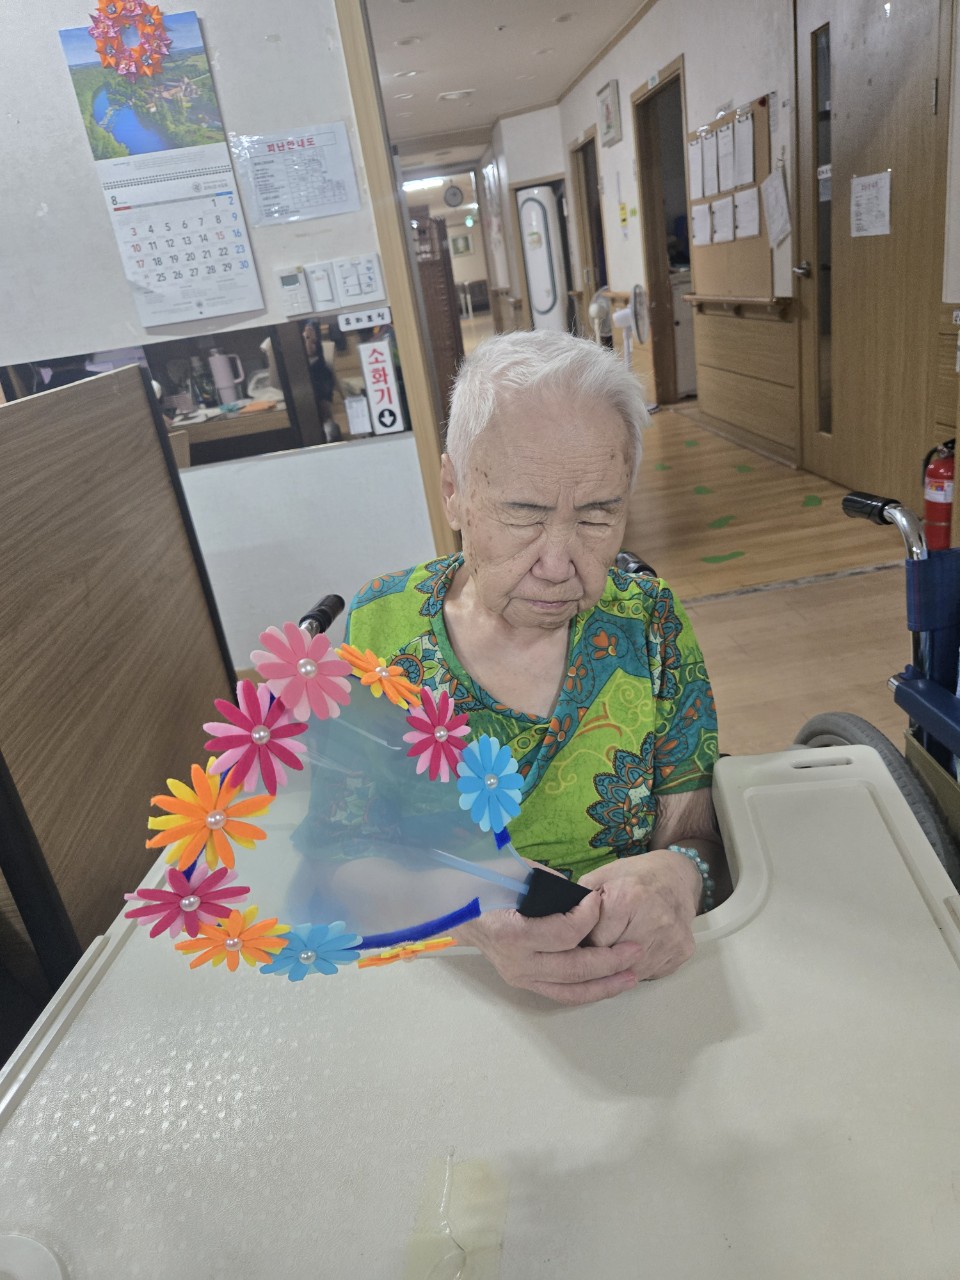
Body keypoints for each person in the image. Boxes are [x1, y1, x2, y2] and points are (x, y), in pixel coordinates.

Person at [345, 330, 723, 1005]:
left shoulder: (650, 624)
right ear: (453, 491)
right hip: (451, 993)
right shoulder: (381, 629)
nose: (557, 563)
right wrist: (462, 908)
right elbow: (345, 851)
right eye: (524, 515)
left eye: (598, 516)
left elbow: (699, 837)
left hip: (634, 992)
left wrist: (681, 875)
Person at [302, 320, 342, 442]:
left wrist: (307, 337)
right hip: (311, 375)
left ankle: (329, 431)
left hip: (319, 375)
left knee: (324, 405)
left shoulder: (310, 328)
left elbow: (311, 351)